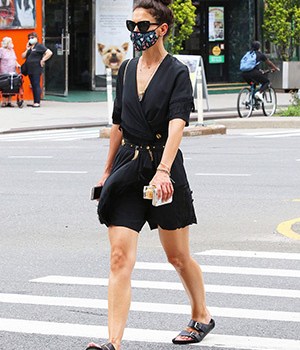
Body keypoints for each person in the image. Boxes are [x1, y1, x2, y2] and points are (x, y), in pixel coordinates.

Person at [86, 1, 214, 350]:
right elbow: (118, 124)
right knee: (118, 257)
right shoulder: (126, 69)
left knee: (177, 255)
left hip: (163, 169)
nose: (136, 32)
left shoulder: (176, 72)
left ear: (162, 29)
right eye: (133, 25)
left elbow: (177, 126)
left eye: (143, 26)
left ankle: (201, 314)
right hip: (128, 167)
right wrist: (107, 170)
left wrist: (162, 171)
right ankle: (113, 343)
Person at [21, 32, 52, 108]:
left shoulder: (39, 46)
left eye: (32, 37)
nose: (30, 39)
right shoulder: (30, 47)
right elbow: (23, 56)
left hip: (36, 68)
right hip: (30, 69)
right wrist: (27, 49)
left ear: (36, 38)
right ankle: (35, 101)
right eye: (29, 38)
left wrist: (43, 60)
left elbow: (49, 52)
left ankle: (37, 102)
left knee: (36, 84)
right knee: (33, 84)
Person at [0, 36, 20, 107]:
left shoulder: (12, 50)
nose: (11, 43)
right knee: (5, 86)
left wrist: (17, 64)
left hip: (12, 71)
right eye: (10, 42)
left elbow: (14, 60)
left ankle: (10, 101)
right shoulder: (1, 50)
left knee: (12, 86)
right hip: (4, 71)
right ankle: (4, 102)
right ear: (7, 43)